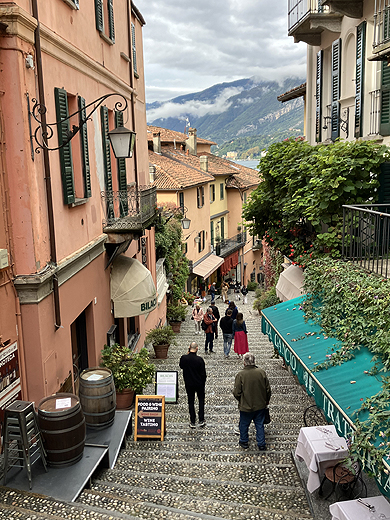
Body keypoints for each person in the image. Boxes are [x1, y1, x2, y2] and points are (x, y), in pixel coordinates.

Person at [233, 352, 271, 450]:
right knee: (259, 424)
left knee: (244, 424)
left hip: (246, 406)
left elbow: (236, 392)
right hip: (260, 405)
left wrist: (241, 400)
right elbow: (268, 389)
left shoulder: (240, 375)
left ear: (244, 363)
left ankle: (244, 441)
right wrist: (266, 401)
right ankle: (261, 443)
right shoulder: (261, 372)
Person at [179, 342, 207, 428]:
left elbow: (181, 366)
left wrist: (187, 353)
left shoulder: (184, 358)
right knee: (201, 400)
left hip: (189, 383)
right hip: (199, 383)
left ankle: (192, 420)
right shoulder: (200, 360)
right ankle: (201, 419)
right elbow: (203, 374)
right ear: (197, 348)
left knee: (191, 401)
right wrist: (203, 383)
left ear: (189, 347)